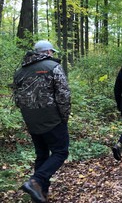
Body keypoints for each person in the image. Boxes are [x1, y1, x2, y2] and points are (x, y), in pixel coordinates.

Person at [12, 40, 71, 203]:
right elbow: (64, 95)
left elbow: (17, 98)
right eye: (51, 52)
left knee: (42, 154)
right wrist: (64, 118)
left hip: (31, 120)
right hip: (52, 119)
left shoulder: (20, 71)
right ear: (47, 52)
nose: (52, 55)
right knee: (61, 151)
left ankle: (40, 194)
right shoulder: (53, 67)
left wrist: (29, 115)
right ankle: (36, 181)